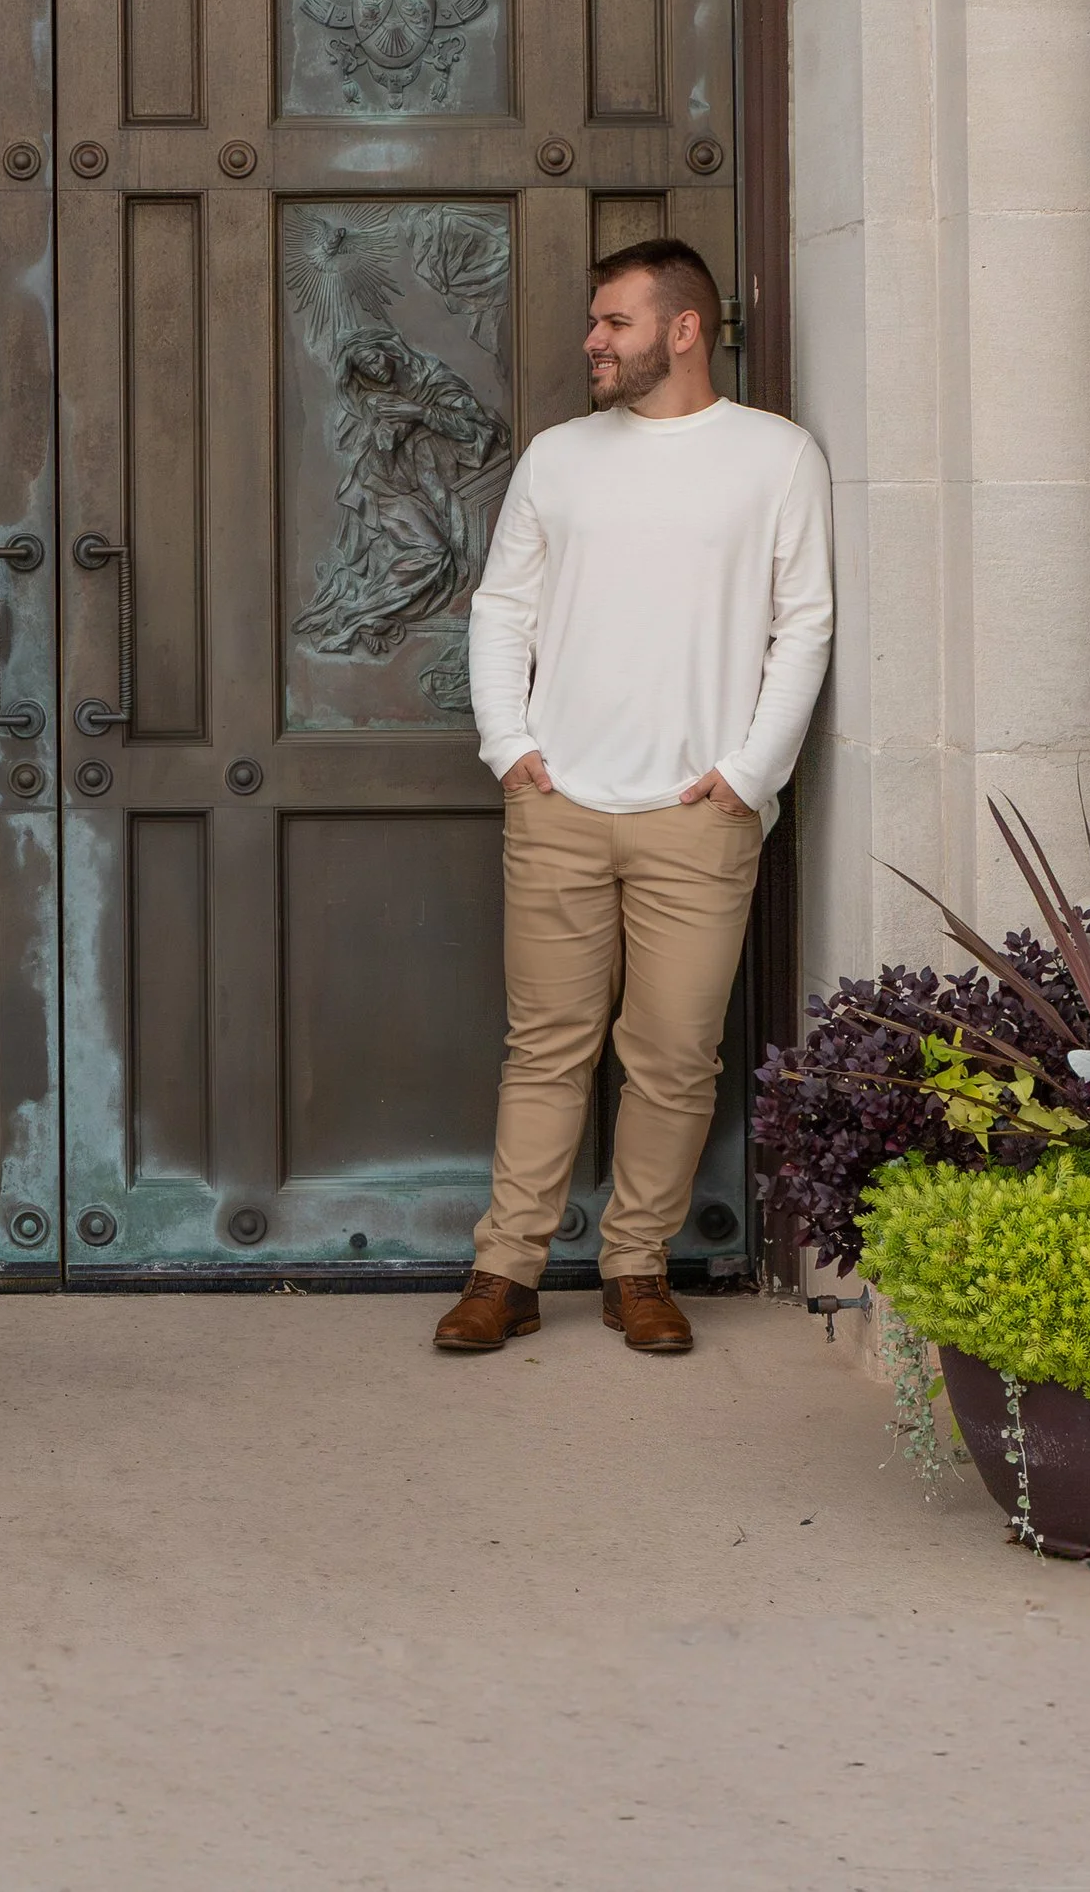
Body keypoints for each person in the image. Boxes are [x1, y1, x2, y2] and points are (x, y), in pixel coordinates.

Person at [435, 241, 832, 1360]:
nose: (591, 342)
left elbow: (801, 623)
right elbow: (501, 608)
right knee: (545, 1047)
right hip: (557, 802)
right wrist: (509, 746)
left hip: (697, 815)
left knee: (671, 1056)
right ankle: (504, 1269)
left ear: (683, 329)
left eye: (613, 322)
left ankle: (636, 1265)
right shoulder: (558, 459)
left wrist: (748, 777)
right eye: (595, 323)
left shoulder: (775, 457)